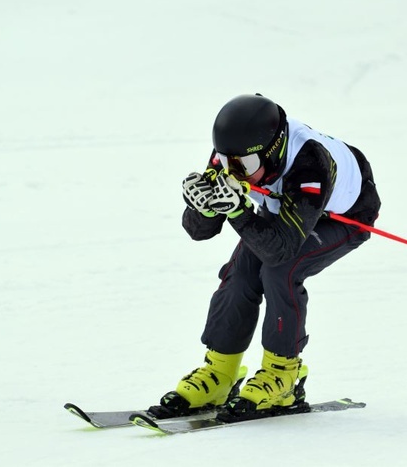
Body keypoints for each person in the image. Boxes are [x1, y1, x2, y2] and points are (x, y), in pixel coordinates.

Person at [153, 93, 381, 420]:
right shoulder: (236, 155)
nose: (234, 174)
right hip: (287, 210)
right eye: (225, 161)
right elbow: (199, 231)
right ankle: (220, 372)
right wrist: (200, 206)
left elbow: (280, 249)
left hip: (342, 217)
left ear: (272, 154)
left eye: (244, 166)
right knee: (240, 273)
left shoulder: (310, 164)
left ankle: (284, 374)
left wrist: (238, 210)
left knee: (280, 271)